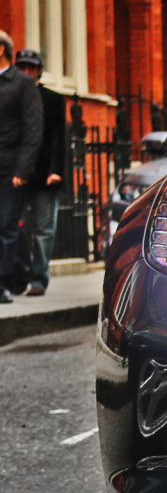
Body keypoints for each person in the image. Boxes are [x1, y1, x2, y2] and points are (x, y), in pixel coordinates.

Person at [14, 49, 68, 297]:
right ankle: (20, 274)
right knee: (14, 226)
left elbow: (60, 137)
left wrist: (56, 170)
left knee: (43, 229)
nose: (26, 71)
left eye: (30, 67)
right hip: (17, 172)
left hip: (46, 172)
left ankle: (38, 279)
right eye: (21, 67)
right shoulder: (11, 95)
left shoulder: (53, 98)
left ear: (38, 70)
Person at [0, 31, 43, 304]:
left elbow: (33, 129)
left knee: (6, 227)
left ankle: (4, 284)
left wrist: (22, 171)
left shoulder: (23, 84)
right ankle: (21, 272)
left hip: (9, 169)